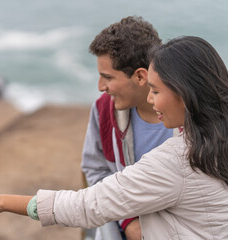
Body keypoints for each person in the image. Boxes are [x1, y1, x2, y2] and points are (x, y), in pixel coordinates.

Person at [0, 36, 228, 239]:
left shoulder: (177, 160)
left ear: (184, 93)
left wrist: (2, 201)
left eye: (156, 90)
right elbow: (95, 170)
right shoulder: (215, 137)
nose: (152, 100)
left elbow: (86, 207)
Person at [81, 16, 178, 240]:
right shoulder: (103, 110)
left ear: (140, 76)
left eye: (107, 77)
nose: (100, 87)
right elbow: (95, 171)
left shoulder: (190, 112)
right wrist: (129, 222)